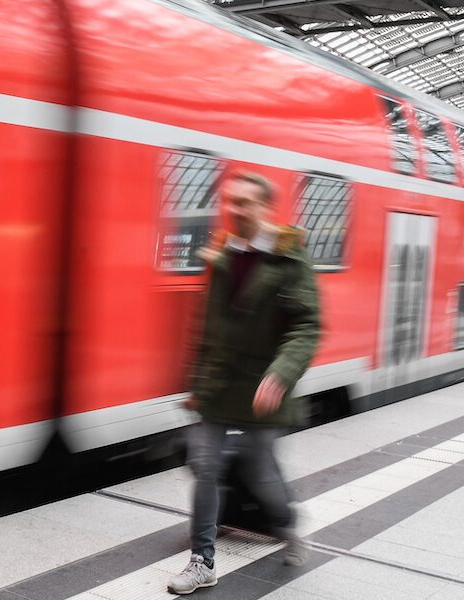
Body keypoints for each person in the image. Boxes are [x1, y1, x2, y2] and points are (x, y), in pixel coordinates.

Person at [168, 171, 321, 595]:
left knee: (261, 473)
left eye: (245, 203)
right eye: (231, 202)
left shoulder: (290, 258)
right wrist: (196, 381)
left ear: (265, 208)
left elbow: (307, 325)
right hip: (219, 389)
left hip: (264, 389)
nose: (235, 210)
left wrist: (281, 372)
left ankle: (288, 525)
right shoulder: (223, 256)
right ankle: (203, 561)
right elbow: (207, 328)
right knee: (206, 469)